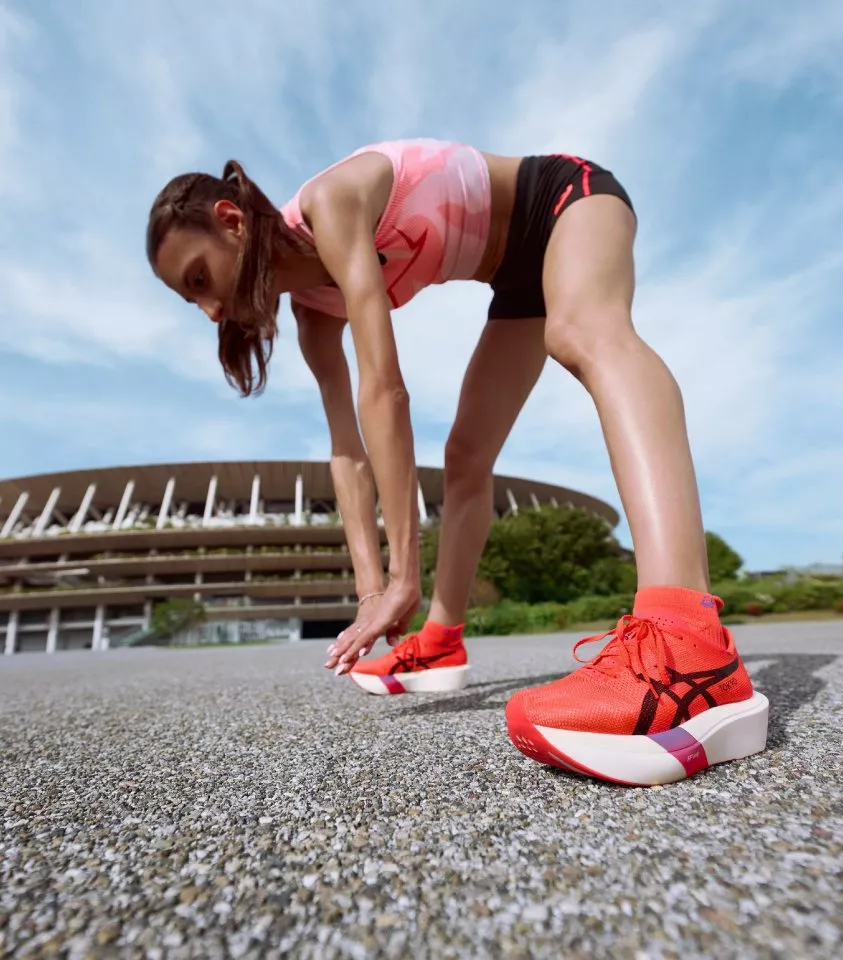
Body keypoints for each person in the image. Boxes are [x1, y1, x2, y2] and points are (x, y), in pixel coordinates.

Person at [146, 138, 769, 785]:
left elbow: (384, 391)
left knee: (582, 328)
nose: (211, 309)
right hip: (516, 276)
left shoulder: (330, 206)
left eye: (199, 278)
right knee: (466, 455)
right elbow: (347, 450)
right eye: (190, 300)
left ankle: (686, 637)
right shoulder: (311, 315)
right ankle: (440, 640)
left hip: (562, 198)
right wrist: (371, 594)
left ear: (231, 220)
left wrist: (402, 579)